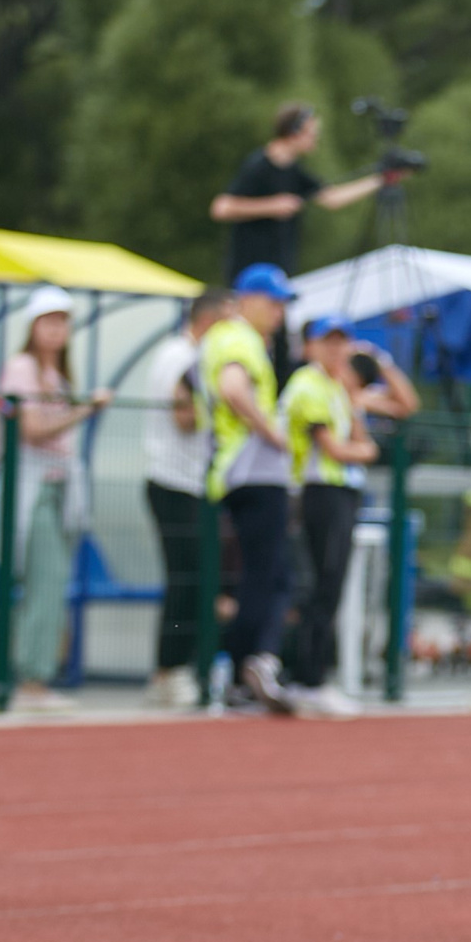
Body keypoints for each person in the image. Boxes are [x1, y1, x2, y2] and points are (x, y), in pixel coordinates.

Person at [0, 286, 112, 710]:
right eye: (48, 321)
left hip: (59, 487)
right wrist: (85, 409)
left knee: (50, 582)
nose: (56, 330)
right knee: (46, 579)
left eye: (62, 321)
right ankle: (31, 679)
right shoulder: (21, 367)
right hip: (29, 486)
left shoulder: (58, 376)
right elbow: (32, 429)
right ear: (33, 326)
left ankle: (34, 675)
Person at [279, 316, 416, 715]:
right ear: (310, 346)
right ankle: (305, 679)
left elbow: (402, 408)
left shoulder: (334, 387)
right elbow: (341, 449)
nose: (337, 350)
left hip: (334, 492)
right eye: (328, 342)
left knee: (328, 587)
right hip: (316, 491)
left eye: (342, 342)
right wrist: (364, 449)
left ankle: (310, 677)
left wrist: (381, 362)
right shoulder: (310, 385)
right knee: (318, 587)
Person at [201, 264, 300, 713]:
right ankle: (252, 663)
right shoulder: (238, 338)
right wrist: (271, 432)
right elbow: (233, 388)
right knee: (268, 575)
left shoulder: (235, 338)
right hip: (251, 470)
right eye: (273, 302)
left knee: (261, 574)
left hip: (239, 471)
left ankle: (245, 667)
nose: (279, 312)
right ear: (247, 300)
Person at [139, 290, 230, 707]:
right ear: (209, 320)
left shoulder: (179, 353)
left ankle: (175, 668)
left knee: (192, 580)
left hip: (185, 483)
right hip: (175, 482)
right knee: (187, 581)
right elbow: (184, 417)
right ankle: (169, 670)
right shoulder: (184, 357)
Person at [208, 101, 392, 286]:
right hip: (250, 272)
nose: (316, 139)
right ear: (294, 133)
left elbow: (332, 198)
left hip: (279, 270)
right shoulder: (258, 165)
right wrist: (271, 206)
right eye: (312, 134)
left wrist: (380, 180)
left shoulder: (294, 170)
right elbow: (222, 208)